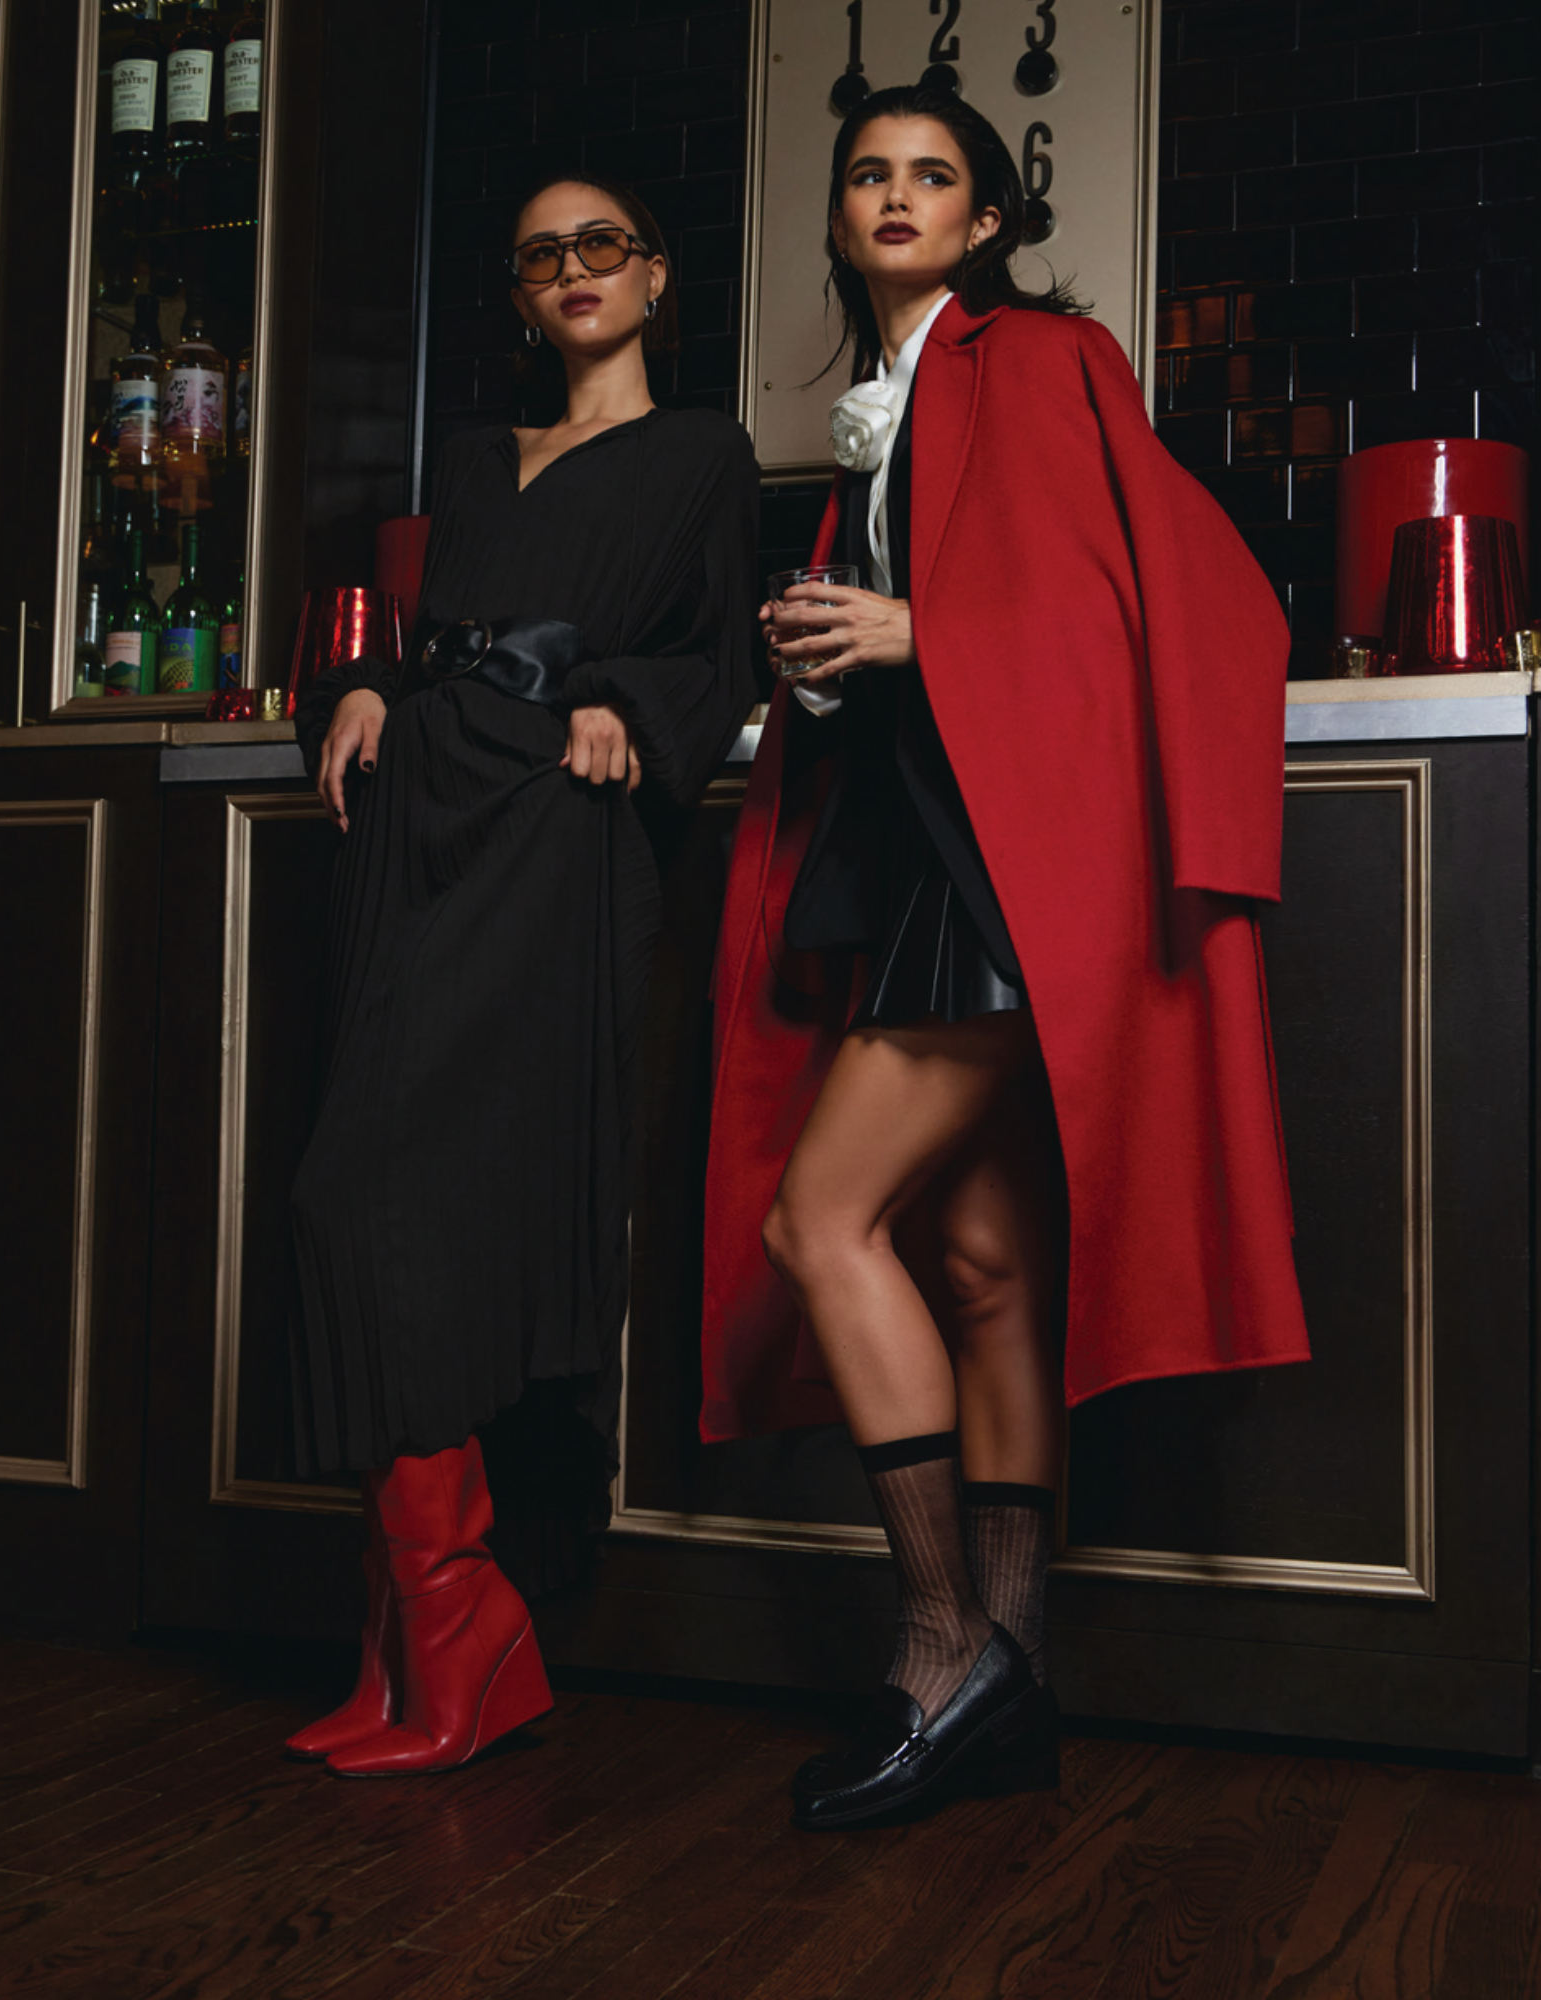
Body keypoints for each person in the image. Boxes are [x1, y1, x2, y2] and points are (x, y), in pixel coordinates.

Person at [702, 85, 1309, 1830]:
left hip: (996, 868)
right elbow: (965, 621)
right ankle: (1020, 1680)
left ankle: (942, 1649)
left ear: (985, 222)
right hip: (918, 853)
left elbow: (1161, 600)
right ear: (840, 219)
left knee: (820, 1223)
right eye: (868, 175)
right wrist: (837, 655)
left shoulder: (1039, 358)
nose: (896, 197)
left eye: (934, 177)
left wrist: (916, 628)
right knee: (981, 1266)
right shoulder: (883, 410)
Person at [286, 173, 759, 1777]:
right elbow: (435, 632)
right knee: (348, 1199)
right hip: (418, 821)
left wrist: (618, 693)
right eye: (542, 255)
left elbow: (717, 656)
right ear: (519, 294)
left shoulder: (703, 452)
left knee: (407, 1204)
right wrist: (362, 681)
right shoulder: (476, 459)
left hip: (553, 837)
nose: (574, 270)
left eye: (602, 245)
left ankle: (461, 1625)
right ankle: (414, 1636)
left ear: (656, 275)